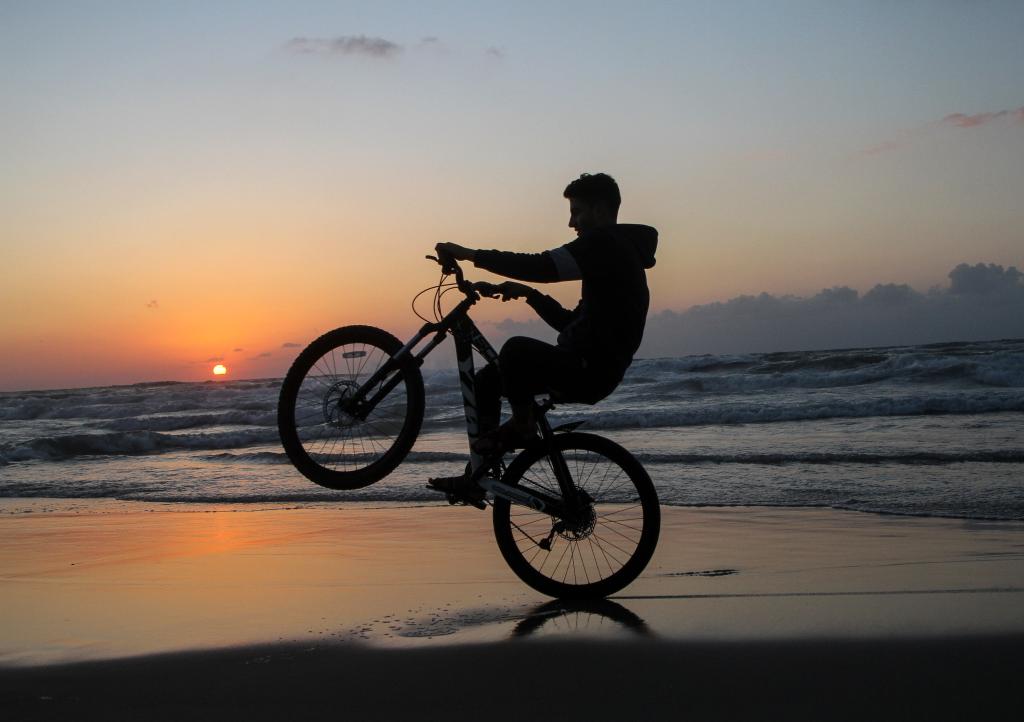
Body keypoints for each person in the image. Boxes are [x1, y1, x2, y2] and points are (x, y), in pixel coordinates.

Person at [428, 172, 657, 498]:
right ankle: (477, 475)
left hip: (588, 369)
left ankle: (522, 426)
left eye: (577, 212)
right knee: (488, 382)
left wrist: (470, 254)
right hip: (587, 364)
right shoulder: (612, 256)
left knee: (516, 350)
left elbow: (542, 265)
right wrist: (529, 295)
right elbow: (571, 323)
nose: (571, 222)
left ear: (601, 210)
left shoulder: (606, 244)